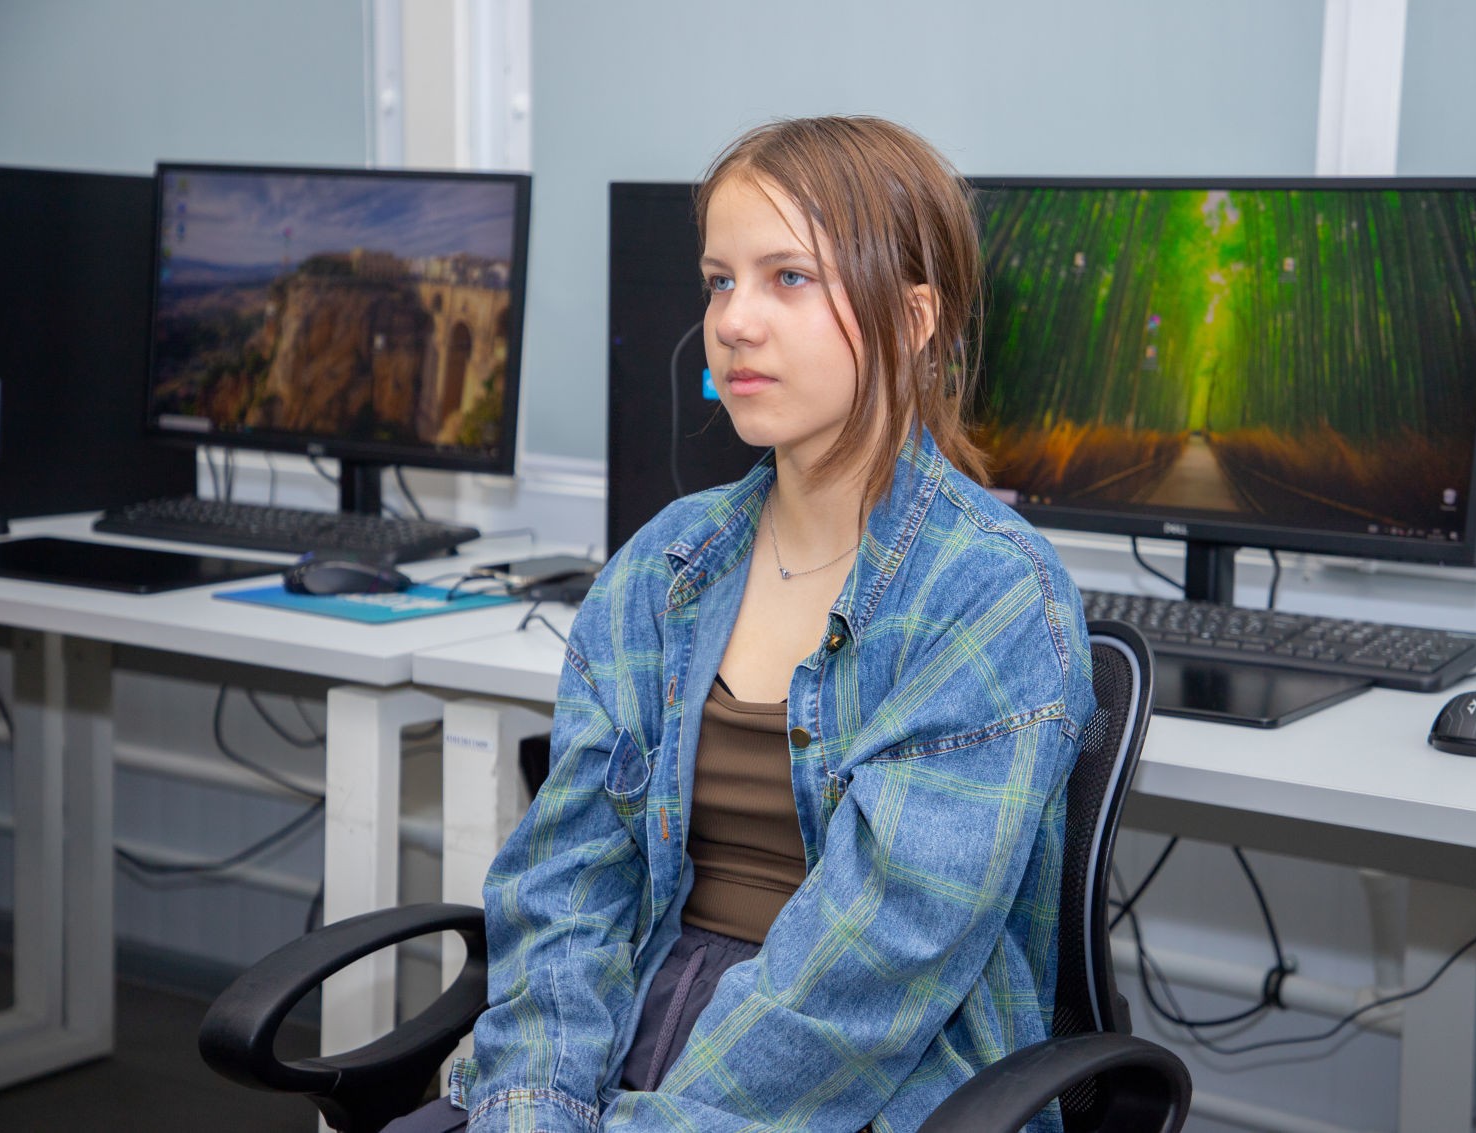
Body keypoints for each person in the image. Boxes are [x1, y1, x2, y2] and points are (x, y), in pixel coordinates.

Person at [389, 115, 1093, 1133]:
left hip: (867, 1089)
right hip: (626, 1038)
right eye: (720, 281)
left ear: (913, 317)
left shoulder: (989, 595)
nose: (734, 322)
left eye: (788, 277)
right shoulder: (664, 564)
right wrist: (534, 1107)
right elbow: (565, 886)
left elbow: (865, 979)